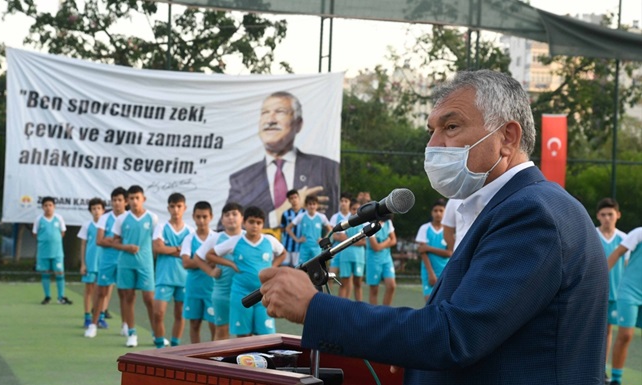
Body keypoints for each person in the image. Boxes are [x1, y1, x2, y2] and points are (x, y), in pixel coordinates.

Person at [257, 70, 608, 384]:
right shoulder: (514, 206)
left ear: (508, 138)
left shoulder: (532, 215)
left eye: (451, 127)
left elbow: (454, 336)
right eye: (431, 131)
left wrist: (313, 307)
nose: (433, 146)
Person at [226, 91, 340, 228]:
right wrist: (279, 214)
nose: (270, 120)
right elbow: (227, 229)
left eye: (280, 112)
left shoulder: (325, 168)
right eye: (265, 113)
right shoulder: (241, 180)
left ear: (298, 123)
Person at [206, 206, 286, 337]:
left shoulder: (269, 240)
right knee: (243, 336)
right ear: (244, 223)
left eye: (258, 223)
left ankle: (263, 358)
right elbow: (210, 254)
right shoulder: (235, 241)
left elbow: (283, 253)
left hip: (264, 294)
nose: (255, 226)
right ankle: (246, 358)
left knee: (266, 336)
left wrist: (273, 266)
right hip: (241, 293)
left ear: (263, 224)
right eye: (251, 222)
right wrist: (231, 263)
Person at [112, 185, 158, 348]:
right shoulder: (121, 219)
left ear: (143, 199)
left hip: (145, 264)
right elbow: (114, 242)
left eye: (137, 198)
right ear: (127, 201)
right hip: (126, 264)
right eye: (131, 198)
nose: (134, 201)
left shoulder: (152, 218)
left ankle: (156, 333)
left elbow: (157, 242)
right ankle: (131, 333)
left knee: (150, 299)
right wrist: (127, 247)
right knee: (128, 297)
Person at [151, 193, 193, 348]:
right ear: (168, 208)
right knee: (158, 313)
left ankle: (175, 347)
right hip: (164, 278)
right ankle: (160, 346)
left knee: (180, 314)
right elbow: (157, 248)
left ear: (184, 208)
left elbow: (189, 253)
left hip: (184, 278)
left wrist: (167, 249)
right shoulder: (161, 227)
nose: (176, 210)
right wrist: (177, 249)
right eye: (173, 206)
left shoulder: (190, 231)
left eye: (179, 206)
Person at [197, 202, 244, 341]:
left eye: (234, 214)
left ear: (242, 217)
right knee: (222, 330)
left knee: (246, 333)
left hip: (244, 292)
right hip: (222, 292)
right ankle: (220, 362)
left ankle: (244, 362)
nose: (231, 217)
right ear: (222, 220)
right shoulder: (216, 238)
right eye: (227, 215)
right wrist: (210, 272)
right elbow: (198, 258)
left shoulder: (248, 237)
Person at [85, 187, 126, 338]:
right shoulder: (105, 217)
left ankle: (125, 325)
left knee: (124, 294)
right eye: (114, 200)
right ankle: (93, 325)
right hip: (107, 260)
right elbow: (99, 240)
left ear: (125, 202)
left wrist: (112, 240)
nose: (116, 203)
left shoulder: (129, 217)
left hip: (123, 260)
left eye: (120, 200)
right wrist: (118, 241)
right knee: (100, 292)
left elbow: (130, 240)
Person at [594, 197, 627, 379]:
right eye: (603, 214)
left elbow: (628, 265)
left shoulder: (624, 239)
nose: (607, 218)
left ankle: (602, 369)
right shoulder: (591, 234)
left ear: (618, 215)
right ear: (598, 216)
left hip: (615, 294)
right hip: (594, 293)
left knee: (607, 332)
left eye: (610, 214)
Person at [606, 226, 642, 385]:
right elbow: (617, 253)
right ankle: (616, 380)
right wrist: (600, 276)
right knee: (625, 335)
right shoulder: (639, 233)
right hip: (630, 291)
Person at [180, 201, 218, 344]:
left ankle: (215, 356)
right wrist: (207, 261)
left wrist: (197, 261)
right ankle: (195, 357)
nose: (201, 221)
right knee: (194, 324)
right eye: (198, 217)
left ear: (211, 217)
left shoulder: (217, 238)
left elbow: (219, 260)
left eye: (204, 217)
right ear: (193, 217)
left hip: (212, 288)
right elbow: (186, 263)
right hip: (194, 287)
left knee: (214, 324)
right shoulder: (189, 238)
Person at [33, 197, 72, 305]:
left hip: (57, 252)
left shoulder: (59, 218)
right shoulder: (39, 219)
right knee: (45, 273)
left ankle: (61, 297)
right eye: (46, 205)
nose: (48, 208)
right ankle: (47, 296)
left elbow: (62, 232)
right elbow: (35, 233)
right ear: (42, 207)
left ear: (54, 207)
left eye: (50, 205)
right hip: (43, 252)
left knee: (59, 272)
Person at [77, 198, 105, 329]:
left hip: (104, 263)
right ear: (90, 211)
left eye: (99, 208)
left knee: (102, 291)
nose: (96, 211)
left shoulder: (107, 225)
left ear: (103, 210)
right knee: (89, 289)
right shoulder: (87, 225)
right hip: (90, 263)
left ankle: (100, 317)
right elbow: (83, 244)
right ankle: (87, 316)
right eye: (94, 209)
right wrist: (83, 264)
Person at [415, 199, 450, 302]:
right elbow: (422, 252)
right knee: (430, 302)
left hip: (445, 272)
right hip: (428, 271)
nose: (438, 213)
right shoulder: (424, 228)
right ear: (432, 212)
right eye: (435, 210)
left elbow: (449, 253)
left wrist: (429, 248)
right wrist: (431, 273)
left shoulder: (449, 230)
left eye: (441, 210)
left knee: (444, 303)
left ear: (445, 212)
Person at [285, 195, 332, 265]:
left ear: (317, 205)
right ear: (306, 205)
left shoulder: (321, 217)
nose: (312, 206)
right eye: (310, 204)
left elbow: (330, 230)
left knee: (318, 267)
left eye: (314, 204)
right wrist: (297, 239)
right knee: (302, 269)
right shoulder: (301, 216)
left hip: (317, 248)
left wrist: (323, 239)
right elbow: (288, 228)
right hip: (304, 248)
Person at [336, 199, 366, 301]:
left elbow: (364, 242)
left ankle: (359, 308)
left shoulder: (364, 224)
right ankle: (340, 308)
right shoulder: (344, 223)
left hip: (359, 257)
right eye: (353, 209)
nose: (356, 211)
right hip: (346, 256)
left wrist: (350, 240)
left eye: (358, 209)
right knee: (343, 283)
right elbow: (341, 238)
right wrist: (357, 240)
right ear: (350, 209)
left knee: (358, 283)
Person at [366, 214, 397, 305]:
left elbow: (394, 240)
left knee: (391, 286)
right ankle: (374, 315)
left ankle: (385, 312)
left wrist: (384, 244)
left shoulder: (388, 223)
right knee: (374, 289)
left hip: (386, 259)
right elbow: (375, 247)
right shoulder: (370, 225)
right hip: (373, 260)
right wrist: (387, 241)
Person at [328, 192, 352, 296]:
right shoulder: (335, 217)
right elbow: (332, 233)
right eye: (342, 201)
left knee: (346, 280)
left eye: (346, 201)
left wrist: (347, 239)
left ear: (349, 203)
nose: (343, 203)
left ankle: (345, 303)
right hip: (336, 250)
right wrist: (339, 237)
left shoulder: (353, 216)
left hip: (348, 252)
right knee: (330, 277)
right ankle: (328, 299)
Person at [279, 189, 304, 267]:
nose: (294, 200)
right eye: (291, 198)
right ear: (289, 200)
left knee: (298, 270)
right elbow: (282, 229)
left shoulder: (305, 213)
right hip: (287, 246)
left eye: (295, 197)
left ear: (299, 198)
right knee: (285, 269)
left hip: (300, 247)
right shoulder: (285, 214)